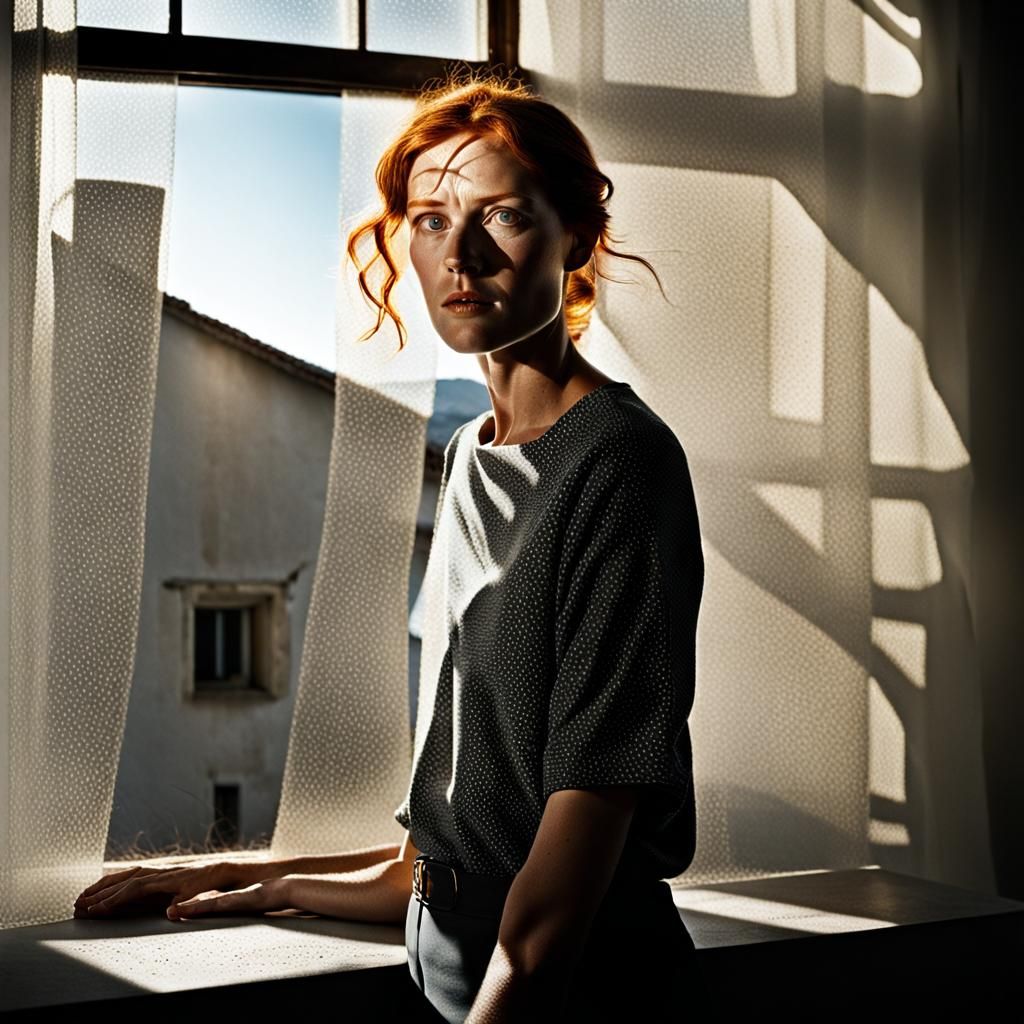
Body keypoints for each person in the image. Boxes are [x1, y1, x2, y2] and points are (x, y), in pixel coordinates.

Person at [74, 68, 711, 1023]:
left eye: (502, 217)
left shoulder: (621, 466)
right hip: (448, 961)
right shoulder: (469, 454)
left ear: (575, 233)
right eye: (428, 219)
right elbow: (440, 859)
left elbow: (556, 884)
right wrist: (249, 877)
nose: (461, 255)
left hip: (575, 983)